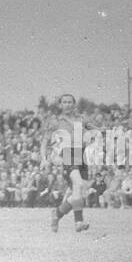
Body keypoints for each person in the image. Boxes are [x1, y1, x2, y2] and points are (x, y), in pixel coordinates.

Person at [46, 95, 91, 233]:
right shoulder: (56, 122)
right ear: (60, 105)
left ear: (74, 104)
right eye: (64, 102)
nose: (67, 104)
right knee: (78, 185)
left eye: (70, 102)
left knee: (78, 194)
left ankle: (57, 214)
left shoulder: (81, 119)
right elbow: (47, 141)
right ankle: (78, 222)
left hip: (81, 155)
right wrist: (51, 156)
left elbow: (92, 133)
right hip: (67, 155)